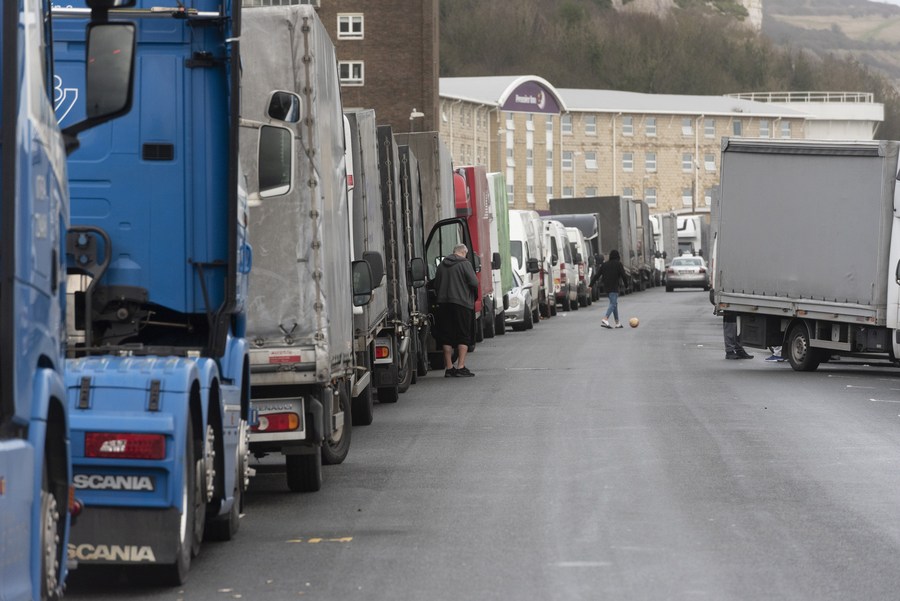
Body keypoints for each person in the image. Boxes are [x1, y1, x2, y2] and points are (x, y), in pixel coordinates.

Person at [432, 244, 479, 377]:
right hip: (461, 304)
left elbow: (436, 284)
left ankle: (449, 368)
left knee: (446, 337)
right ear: (464, 252)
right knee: (463, 335)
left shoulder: (441, 265)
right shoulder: (465, 264)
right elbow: (474, 283)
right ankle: (460, 367)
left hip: (443, 305)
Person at [598, 249, 627, 329]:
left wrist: (590, 285)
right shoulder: (618, 264)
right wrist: (626, 284)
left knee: (614, 304)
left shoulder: (605, 265)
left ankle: (617, 322)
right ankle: (605, 318)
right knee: (613, 304)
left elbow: (597, 275)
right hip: (614, 287)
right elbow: (623, 275)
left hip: (607, 287)